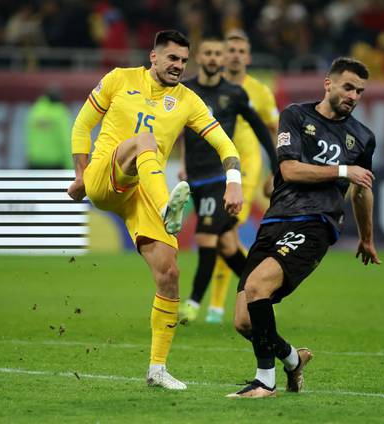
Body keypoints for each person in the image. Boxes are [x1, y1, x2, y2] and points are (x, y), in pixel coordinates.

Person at [66, 30, 243, 391]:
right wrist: (81, 177)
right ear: (154, 57)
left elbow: (223, 141)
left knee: (169, 274)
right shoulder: (118, 79)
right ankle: (168, 207)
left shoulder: (188, 101)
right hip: (107, 176)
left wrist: (235, 180)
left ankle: (157, 369)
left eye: (183, 60)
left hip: (141, 193)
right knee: (145, 142)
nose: (179, 66)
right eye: (173, 59)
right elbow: (83, 124)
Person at [227, 57, 381, 398]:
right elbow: (292, 170)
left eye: (360, 91)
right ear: (328, 83)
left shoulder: (363, 137)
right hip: (275, 220)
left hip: (316, 224)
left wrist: (367, 238)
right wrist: (344, 171)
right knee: (243, 321)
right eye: (348, 87)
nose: (354, 96)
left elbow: (362, 189)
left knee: (256, 286)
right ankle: (294, 359)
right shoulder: (295, 116)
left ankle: (264, 381)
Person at [178, 35, 278, 323]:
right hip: (195, 177)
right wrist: (182, 165)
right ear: (198, 56)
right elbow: (182, 133)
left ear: (222, 60)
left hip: (220, 177)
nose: (212, 58)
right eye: (207, 52)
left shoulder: (234, 93)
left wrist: (275, 167)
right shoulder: (186, 91)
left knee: (206, 237)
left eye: (216, 54)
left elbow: (261, 129)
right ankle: (262, 291)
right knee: (227, 246)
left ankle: (194, 303)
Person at [26, 87, 73, 169]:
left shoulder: (35, 111)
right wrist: (70, 165)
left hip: (35, 162)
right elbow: (66, 140)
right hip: (55, 163)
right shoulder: (60, 113)